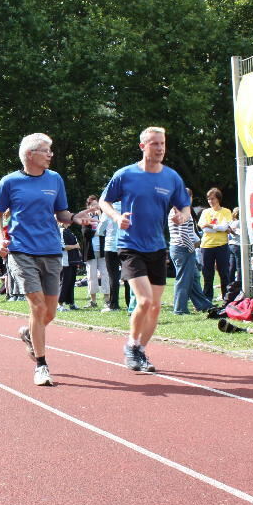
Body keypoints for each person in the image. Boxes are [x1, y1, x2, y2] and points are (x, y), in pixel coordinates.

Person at [0, 133, 88, 386]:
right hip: (22, 251)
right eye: (46, 150)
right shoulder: (10, 182)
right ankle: (42, 365)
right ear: (30, 154)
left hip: (51, 250)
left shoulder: (55, 179)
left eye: (51, 150)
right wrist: (0, 239)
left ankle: (28, 333)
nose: (51, 154)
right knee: (37, 306)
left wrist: (76, 218)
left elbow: (62, 213)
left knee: (50, 312)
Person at [99, 127, 191, 373]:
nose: (160, 148)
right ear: (142, 147)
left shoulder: (171, 178)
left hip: (157, 247)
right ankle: (131, 345)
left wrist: (181, 216)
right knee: (145, 300)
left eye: (162, 144)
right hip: (130, 246)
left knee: (156, 306)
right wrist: (117, 218)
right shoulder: (126, 175)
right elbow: (103, 201)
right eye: (154, 144)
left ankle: (140, 349)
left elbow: (185, 206)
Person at [168, 189, 212, 315]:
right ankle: (179, 309)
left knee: (192, 279)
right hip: (183, 249)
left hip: (178, 248)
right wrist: (192, 248)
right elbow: (183, 235)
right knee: (183, 280)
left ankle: (203, 305)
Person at [198, 187, 232, 301]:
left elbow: (225, 227)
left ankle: (226, 297)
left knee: (224, 273)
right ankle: (207, 298)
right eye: (208, 199)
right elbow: (205, 229)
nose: (210, 201)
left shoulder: (226, 211)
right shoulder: (205, 212)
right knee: (207, 274)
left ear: (218, 199)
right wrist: (220, 228)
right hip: (206, 246)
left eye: (212, 198)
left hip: (222, 245)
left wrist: (211, 225)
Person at [82, 195, 108, 308]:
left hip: (103, 251)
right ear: (88, 206)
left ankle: (107, 299)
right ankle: (93, 300)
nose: (95, 207)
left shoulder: (104, 216)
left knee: (105, 274)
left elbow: (107, 231)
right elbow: (85, 233)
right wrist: (97, 232)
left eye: (96, 204)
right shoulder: (85, 217)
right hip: (91, 251)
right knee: (91, 276)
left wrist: (100, 217)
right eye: (92, 205)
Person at [58, 222, 81, 310]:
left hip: (73, 260)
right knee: (64, 282)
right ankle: (60, 304)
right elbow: (62, 246)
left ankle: (71, 302)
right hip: (65, 261)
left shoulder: (69, 231)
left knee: (71, 282)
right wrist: (75, 246)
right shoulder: (60, 231)